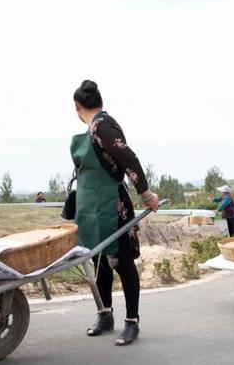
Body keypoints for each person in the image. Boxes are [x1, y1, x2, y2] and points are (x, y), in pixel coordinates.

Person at [71, 80, 159, 346]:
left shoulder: (103, 126)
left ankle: (132, 322)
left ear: (77, 107)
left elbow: (129, 159)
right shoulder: (92, 129)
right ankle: (105, 315)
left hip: (111, 207)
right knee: (99, 263)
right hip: (92, 210)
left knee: (121, 263)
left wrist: (146, 195)